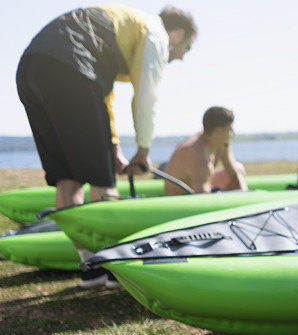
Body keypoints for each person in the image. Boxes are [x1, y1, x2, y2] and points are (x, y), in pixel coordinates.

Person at [16, 5, 197, 286]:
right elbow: (146, 97)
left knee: (68, 180)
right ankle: (113, 267)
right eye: (187, 46)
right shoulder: (155, 33)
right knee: (103, 180)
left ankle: (92, 267)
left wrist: (112, 147)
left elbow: (103, 97)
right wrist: (143, 151)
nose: (183, 56)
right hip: (71, 66)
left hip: (31, 68)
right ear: (176, 34)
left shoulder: (121, 32)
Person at [163, 107, 247, 195]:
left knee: (238, 168)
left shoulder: (220, 142)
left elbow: (234, 175)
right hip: (182, 199)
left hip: (202, 187)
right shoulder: (199, 156)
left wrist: (242, 193)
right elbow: (202, 198)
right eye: (230, 130)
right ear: (218, 132)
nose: (233, 133)